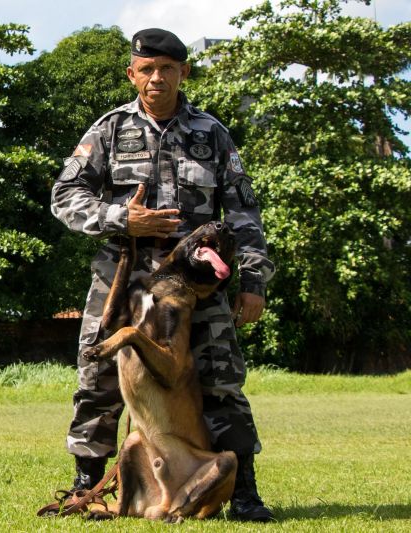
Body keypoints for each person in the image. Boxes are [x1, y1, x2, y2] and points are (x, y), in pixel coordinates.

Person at [50, 28, 276, 522]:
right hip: (123, 279)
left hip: (198, 284)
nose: (157, 78)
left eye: (167, 69)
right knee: (97, 378)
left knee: (221, 380)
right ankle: (86, 484)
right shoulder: (108, 130)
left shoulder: (212, 133)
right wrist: (120, 218)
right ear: (132, 74)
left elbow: (243, 213)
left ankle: (244, 492)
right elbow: (64, 197)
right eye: (147, 69)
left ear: (183, 72)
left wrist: (254, 281)